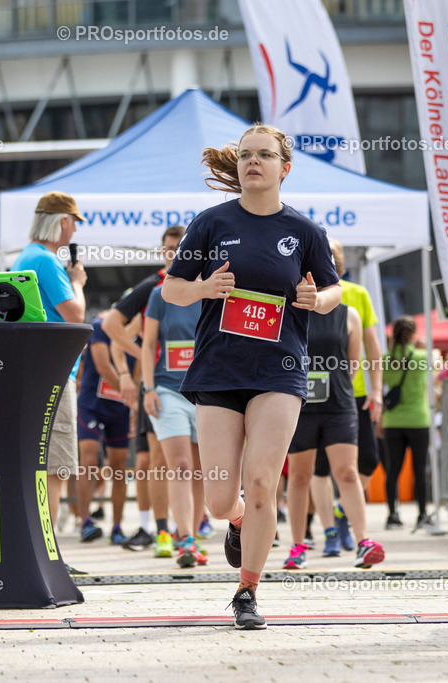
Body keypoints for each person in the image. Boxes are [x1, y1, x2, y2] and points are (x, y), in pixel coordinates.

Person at [161, 123, 341, 630]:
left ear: (285, 168)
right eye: (245, 155)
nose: (252, 162)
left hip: (279, 371)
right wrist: (204, 288)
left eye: (264, 155)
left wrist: (317, 299)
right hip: (219, 369)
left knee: (262, 481)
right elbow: (172, 289)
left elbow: (334, 291)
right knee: (220, 499)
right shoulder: (211, 223)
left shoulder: (304, 231)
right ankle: (238, 519)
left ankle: (247, 591)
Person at [282, 296, 385, 570]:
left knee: (348, 472)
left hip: (338, 405)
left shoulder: (348, 314)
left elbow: (353, 365)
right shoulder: (288, 309)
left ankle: (363, 542)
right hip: (299, 405)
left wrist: (335, 387)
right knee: (300, 476)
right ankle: (298, 546)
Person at [103, 226, 186, 555]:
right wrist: (132, 368)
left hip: (195, 387)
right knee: (153, 460)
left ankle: (188, 528)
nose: (174, 253)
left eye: (180, 247)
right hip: (157, 387)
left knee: (189, 462)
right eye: (169, 248)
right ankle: (158, 529)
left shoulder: (201, 285)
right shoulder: (154, 288)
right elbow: (114, 331)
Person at [11, 191, 88, 533]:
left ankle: (36, 546)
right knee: (54, 468)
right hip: (56, 372)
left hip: (32, 371)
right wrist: (77, 283)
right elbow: (76, 315)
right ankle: (47, 549)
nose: (74, 231)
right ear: (63, 222)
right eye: (73, 224)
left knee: (36, 467)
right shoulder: (46, 260)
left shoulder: (24, 257)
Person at [307, 239, 385, 553]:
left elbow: (372, 346)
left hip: (352, 394)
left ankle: (342, 511)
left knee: (368, 460)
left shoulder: (357, 294)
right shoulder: (305, 293)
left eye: (331, 256)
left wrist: (376, 389)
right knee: (318, 468)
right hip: (312, 395)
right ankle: (329, 530)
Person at [140, 281, 207, 568]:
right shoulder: (160, 294)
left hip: (205, 391)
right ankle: (186, 539)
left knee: (201, 469)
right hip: (167, 391)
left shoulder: (212, 291)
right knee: (180, 465)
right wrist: (148, 388)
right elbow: (148, 344)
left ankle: (193, 536)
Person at [76, 309, 138, 544]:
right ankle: (84, 521)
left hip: (119, 408)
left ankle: (117, 527)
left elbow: (137, 376)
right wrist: (128, 394)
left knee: (119, 467)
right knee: (89, 460)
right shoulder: (101, 327)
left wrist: (132, 404)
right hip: (91, 404)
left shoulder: (140, 336)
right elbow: (103, 366)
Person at [380, 316, 431, 530]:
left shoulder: (384, 359)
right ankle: (422, 515)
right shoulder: (421, 357)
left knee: (393, 470)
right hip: (418, 419)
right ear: (412, 334)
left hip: (392, 421)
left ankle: (393, 515)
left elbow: (380, 386)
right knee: (420, 469)